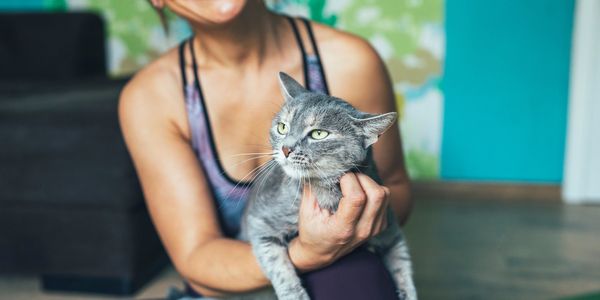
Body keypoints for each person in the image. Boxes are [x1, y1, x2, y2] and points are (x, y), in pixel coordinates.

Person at [119, 0, 412, 298]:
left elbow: (394, 188)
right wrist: (305, 253)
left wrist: (349, 224)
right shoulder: (150, 96)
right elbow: (196, 256)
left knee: (358, 277)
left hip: (339, 259)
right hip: (234, 277)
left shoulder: (349, 59)